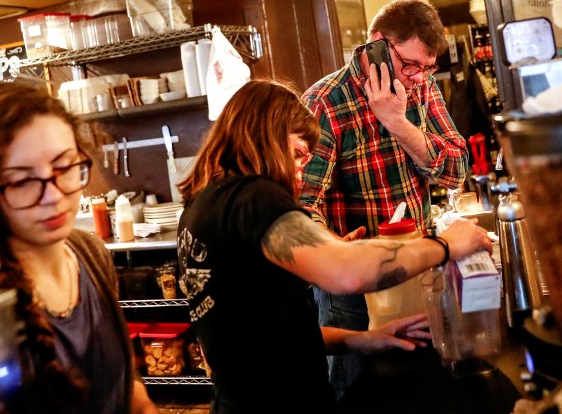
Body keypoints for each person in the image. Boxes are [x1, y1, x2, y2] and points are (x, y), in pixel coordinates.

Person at [176, 79, 491, 413]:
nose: (303, 169)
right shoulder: (254, 197)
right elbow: (349, 275)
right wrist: (446, 244)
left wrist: (362, 339)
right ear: (264, 135)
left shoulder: (200, 209)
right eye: (298, 153)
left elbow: (263, 334)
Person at [0, 81, 159, 414]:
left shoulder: (89, 253)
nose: (54, 195)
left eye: (64, 167)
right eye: (22, 180)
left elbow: (124, 384)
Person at [299, 0, 470, 398]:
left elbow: (457, 170)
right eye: (410, 63)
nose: (417, 76)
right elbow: (304, 205)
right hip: (353, 291)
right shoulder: (324, 102)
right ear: (376, 43)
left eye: (427, 68)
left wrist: (398, 123)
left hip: (419, 269)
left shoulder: (422, 88)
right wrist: (329, 247)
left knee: (424, 390)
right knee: (360, 394)